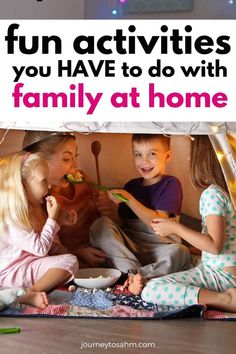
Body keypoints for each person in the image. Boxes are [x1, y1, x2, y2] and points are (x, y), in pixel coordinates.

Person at [129, 135, 236, 312]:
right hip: (227, 269)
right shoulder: (230, 192)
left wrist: (174, 226)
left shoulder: (213, 194)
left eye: (191, 154)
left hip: (223, 275)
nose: (188, 158)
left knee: (151, 290)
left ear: (201, 159)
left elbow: (215, 246)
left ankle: (225, 299)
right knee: (183, 259)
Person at [90, 134, 190, 279]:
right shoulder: (131, 186)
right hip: (131, 250)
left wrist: (129, 199)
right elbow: (121, 224)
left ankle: (137, 277)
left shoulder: (171, 184)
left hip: (161, 248)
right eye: (138, 154)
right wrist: (108, 211)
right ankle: (132, 273)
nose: (144, 161)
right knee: (100, 225)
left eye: (152, 154)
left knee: (181, 252)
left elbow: (158, 222)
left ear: (167, 156)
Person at [0, 152, 78, 308]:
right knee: (69, 260)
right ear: (22, 185)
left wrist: (58, 221)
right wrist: (52, 219)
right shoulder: (10, 218)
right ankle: (29, 293)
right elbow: (41, 248)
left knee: (68, 259)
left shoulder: (28, 211)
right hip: (12, 273)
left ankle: (28, 292)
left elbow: (43, 243)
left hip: (27, 266)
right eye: (43, 181)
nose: (49, 187)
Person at [23, 131, 109, 267]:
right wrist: (78, 253)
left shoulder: (84, 180)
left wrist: (107, 208)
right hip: (72, 258)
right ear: (39, 162)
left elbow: (110, 221)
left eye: (76, 156)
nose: (75, 164)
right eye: (67, 159)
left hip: (103, 246)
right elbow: (47, 247)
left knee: (104, 225)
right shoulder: (40, 199)